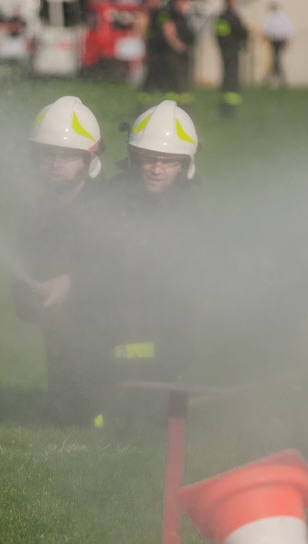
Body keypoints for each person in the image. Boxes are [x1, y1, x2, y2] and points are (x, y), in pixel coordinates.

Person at [81, 100, 202, 430]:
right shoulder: (111, 197)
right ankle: (98, 405)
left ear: (185, 165)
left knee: (147, 417)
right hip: (105, 318)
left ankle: (136, 405)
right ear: (135, 159)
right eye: (149, 158)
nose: (156, 168)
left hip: (163, 330)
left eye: (168, 161)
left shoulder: (189, 214)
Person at [11, 96, 106, 427]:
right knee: (65, 410)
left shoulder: (111, 206)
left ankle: (101, 403)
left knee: (87, 408)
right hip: (61, 329)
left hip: (119, 332)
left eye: (66, 155)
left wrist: (72, 283)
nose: (55, 163)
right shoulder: (37, 211)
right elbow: (22, 270)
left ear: (90, 156)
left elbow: (123, 271)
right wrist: (30, 293)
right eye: (47, 154)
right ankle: (67, 403)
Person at [140, 0, 195, 110]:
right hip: (169, 56)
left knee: (167, 87)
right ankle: (175, 109)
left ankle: (178, 109)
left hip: (168, 55)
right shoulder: (167, 12)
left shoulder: (174, 13)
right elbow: (168, 29)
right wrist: (177, 45)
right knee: (171, 86)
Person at [215, 0, 249, 118]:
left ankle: (232, 110)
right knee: (229, 80)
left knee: (233, 80)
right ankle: (227, 111)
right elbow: (222, 37)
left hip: (234, 53)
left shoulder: (234, 16)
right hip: (229, 54)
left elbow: (243, 32)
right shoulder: (224, 18)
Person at [261, 2, 294, 88]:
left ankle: (272, 78)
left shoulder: (282, 16)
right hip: (273, 40)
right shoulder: (270, 16)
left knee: (276, 59)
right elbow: (266, 28)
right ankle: (277, 78)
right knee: (276, 59)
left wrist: (287, 40)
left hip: (280, 40)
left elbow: (287, 28)